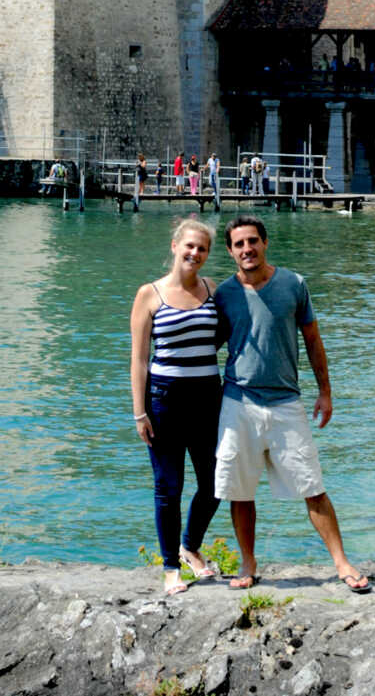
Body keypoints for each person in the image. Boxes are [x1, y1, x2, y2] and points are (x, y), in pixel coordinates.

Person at [214, 216, 371, 594]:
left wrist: (325, 391)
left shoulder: (293, 284)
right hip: (238, 401)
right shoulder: (223, 294)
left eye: (253, 241)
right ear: (230, 251)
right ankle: (248, 563)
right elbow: (209, 346)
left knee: (312, 486)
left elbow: (313, 339)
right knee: (240, 491)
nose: (247, 249)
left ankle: (342, 563)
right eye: (239, 244)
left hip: (286, 403)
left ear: (265, 243)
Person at [129, 219, 222, 596]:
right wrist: (139, 412)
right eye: (189, 246)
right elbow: (138, 358)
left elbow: (221, 337)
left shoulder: (213, 290)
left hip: (208, 398)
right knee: (169, 488)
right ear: (174, 246)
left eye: (202, 249)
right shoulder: (149, 294)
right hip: (164, 400)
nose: (195, 254)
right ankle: (171, 568)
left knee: (215, 483)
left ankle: (190, 546)